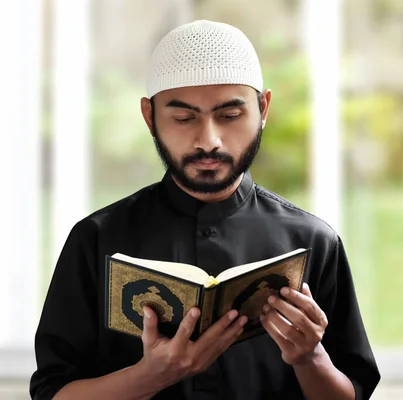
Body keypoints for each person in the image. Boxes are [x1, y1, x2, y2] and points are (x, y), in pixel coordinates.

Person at [29, 19, 380, 400]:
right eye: (183, 118)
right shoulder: (96, 239)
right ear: (150, 117)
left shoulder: (314, 241)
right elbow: (53, 392)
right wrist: (149, 377)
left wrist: (309, 358)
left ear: (263, 108)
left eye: (230, 116)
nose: (208, 140)